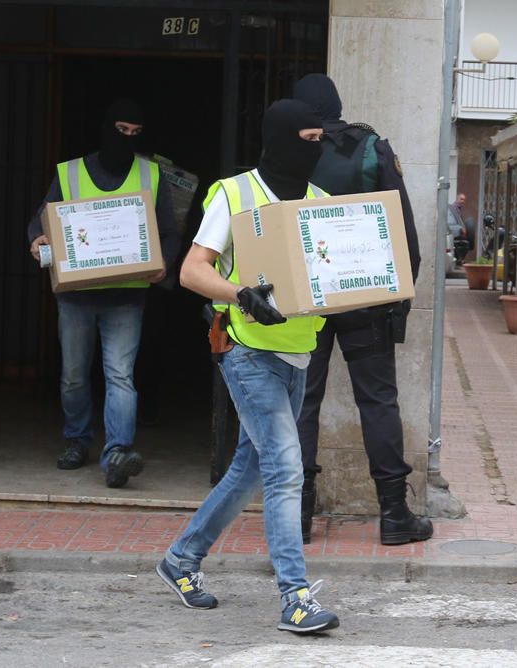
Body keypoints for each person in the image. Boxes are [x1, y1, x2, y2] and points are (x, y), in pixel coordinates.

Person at [157, 99, 339, 634]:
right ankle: (295, 598)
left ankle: (181, 559)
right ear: (280, 138)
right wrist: (240, 295)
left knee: (251, 467)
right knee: (286, 467)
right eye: (307, 139)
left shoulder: (321, 200)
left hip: (298, 351)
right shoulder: (234, 194)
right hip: (246, 350)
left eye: (319, 140)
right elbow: (192, 271)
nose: (317, 149)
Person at [292, 73, 432, 546]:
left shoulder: (286, 147)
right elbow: (403, 229)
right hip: (364, 293)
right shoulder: (371, 147)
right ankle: (395, 514)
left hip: (303, 297)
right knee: (377, 399)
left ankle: (299, 515)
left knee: (303, 401)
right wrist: (398, 294)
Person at [27, 99, 179, 488]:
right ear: (106, 128)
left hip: (127, 297)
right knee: (74, 377)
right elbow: (42, 219)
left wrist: (164, 262)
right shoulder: (71, 173)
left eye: (134, 134)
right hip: (77, 297)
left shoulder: (152, 174)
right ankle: (76, 441)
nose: (126, 139)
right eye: (120, 130)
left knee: (120, 376)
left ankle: (117, 454)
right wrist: (38, 238)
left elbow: (169, 231)